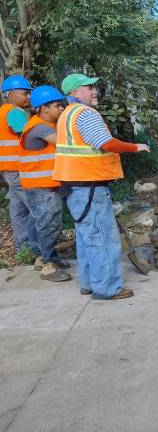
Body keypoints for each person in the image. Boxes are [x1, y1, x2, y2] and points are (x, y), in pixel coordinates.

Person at [53, 74, 150, 299]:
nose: (94, 91)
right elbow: (105, 143)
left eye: (93, 87)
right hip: (90, 187)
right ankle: (107, 288)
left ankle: (89, 283)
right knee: (103, 240)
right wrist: (134, 147)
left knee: (87, 238)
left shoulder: (66, 114)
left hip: (76, 187)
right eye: (88, 87)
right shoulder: (85, 113)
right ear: (75, 92)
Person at [19, 86, 71, 282]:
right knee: (48, 223)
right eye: (57, 105)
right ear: (43, 108)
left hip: (38, 184)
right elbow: (66, 144)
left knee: (37, 220)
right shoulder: (39, 128)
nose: (61, 109)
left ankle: (42, 257)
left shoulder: (44, 124)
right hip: (41, 186)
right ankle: (49, 265)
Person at [0, 75, 35, 256]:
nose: (28, 97)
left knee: (18, 209)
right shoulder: (14, 112)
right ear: (11, 94)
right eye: (25, 93)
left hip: (8, 168)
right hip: (18, 167)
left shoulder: (3, 111)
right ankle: (38, 248)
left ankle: (24, 248)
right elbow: (27, 135)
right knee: (35, 206)